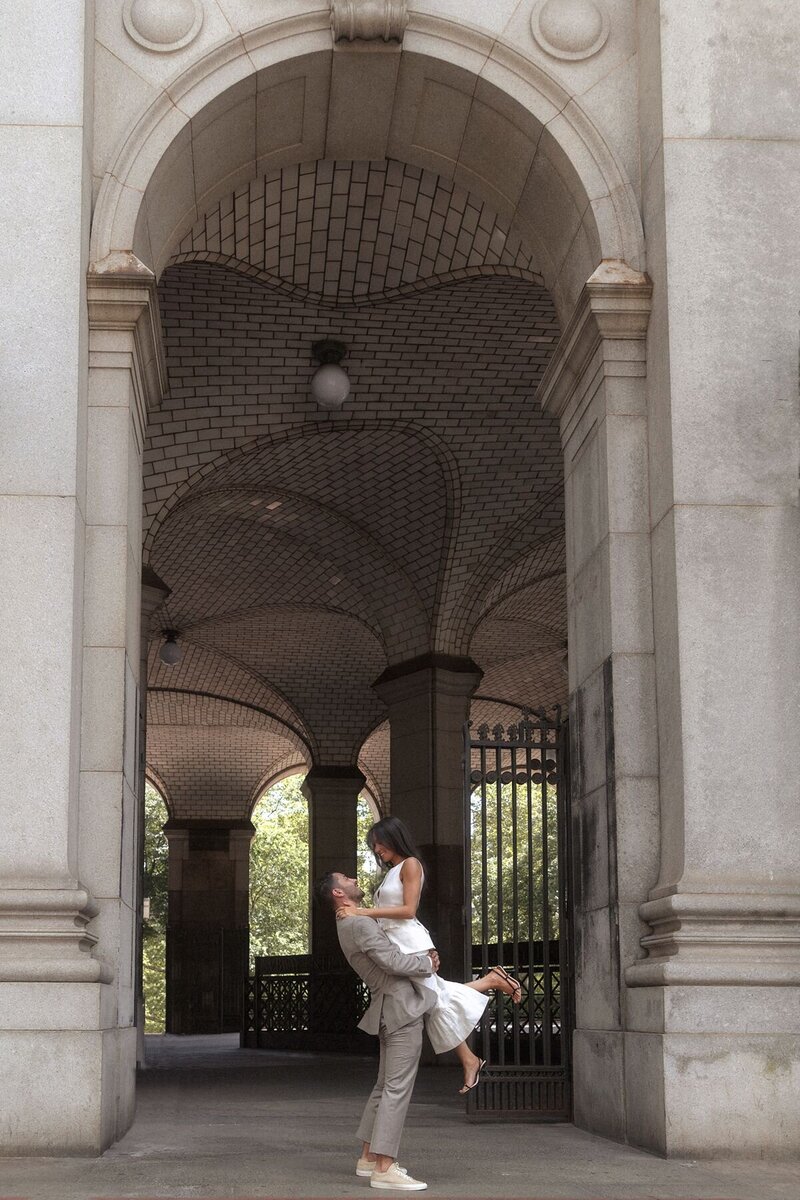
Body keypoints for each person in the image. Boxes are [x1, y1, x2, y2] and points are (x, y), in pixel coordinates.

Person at [336, 815, 521, 1093]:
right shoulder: (391, 870)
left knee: (434, 1002)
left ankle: (472, 1052)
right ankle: (489, 988)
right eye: (373, 845)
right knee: (435, 1000)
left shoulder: (411, 865)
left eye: (378, 843)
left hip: (411, 942)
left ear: (393, 838)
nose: (376, 849)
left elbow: (409, 910)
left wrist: (362, 912)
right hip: (398, 944)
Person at [316, 869, 437, 1191]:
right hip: (400, 1008)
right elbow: (393, 962)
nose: (354, 879)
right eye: (346, 879)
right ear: (338, 894)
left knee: (385, 1087)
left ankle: (369, 1158)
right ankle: (385, 1167)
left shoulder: (349, 922)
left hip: (388, 1008)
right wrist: (427, 964)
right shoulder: (359, 923)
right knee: (396, 1089)